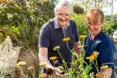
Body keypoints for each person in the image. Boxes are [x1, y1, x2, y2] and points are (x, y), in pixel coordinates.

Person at [38, 0, 80, 74]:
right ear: (55, 12)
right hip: (50, 71)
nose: (63, 18)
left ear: (70, 15)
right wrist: (52, 69)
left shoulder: (72, 25)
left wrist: (82, 62)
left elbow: (78, 47)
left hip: (68, 71)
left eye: (66, 15)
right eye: (60, 14)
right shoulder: (46, 28)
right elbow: (42, 55)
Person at [84, 8, 114, 78]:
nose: (91, 27)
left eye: (95, 23)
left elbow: (107, 70)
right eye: (89, 23)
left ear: (102, 23)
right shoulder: (85, 38)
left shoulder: (105, 41)